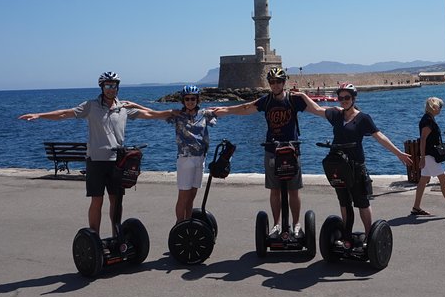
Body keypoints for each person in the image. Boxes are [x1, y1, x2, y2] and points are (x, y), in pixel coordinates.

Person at [18, 72, 175, 235]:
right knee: (97, 200)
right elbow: (65, 113)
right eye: (107, 85)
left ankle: (117, 236)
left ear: (117, 87)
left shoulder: (124, 108)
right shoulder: (91, 106)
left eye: (113, 85)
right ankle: (94, 239)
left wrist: (175, 112)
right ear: (102, 87)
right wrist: (39, 115)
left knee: (116, 200)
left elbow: (151, 115)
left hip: (117, 162)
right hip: (96, 161)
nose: (111, 89)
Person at [293, 83, 412, 241]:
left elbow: (379, 137)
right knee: (344, 202)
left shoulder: (363, 118)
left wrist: (398, 153)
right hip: (338, 165)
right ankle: (346, 235)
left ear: (353, 98)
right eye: (341, 98)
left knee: (362, 202)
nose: (344, 100)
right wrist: (302, 95)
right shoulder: (336, 115)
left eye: (347, 97)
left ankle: (370, 236)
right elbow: (317, 110)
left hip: (356, 166)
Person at [211, 67, 307, 237]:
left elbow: (316, 110)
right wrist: (224, 111)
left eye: (278, 82)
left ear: (284, 83)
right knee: (274, 190)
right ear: (269, 84)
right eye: (272, 82)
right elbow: (245, 108)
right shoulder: (267, 101)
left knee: (294, 190)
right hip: (272, 150)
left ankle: (297, 224)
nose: (275, 85)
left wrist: (336, 113)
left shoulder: (294, 100)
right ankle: (277, 225)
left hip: (292, 150)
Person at [132, 85, 227, 222]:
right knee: (183, 196)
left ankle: (187, 222)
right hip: (185, 159)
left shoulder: (204, 114)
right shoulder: (177, 115)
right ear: (183, 100)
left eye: (193, 99)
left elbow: (226, 111)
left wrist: (248, 106)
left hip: (200, 158)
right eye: (187, 99)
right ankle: (179, 224)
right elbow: (152, 113)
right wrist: (133, 105)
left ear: (197, 99)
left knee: (192, 195)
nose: (190, 101)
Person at [410, 97, 445, 218]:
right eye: (440, 107)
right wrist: (422, 157)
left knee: (423, 180)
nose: (441, 109)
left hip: (428, 155)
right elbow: (423, 140)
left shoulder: (428, 119)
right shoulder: (428, 121)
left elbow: (433, 141)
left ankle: (416, 207)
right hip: (429, 156)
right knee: (444, 179)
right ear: (434, 107)